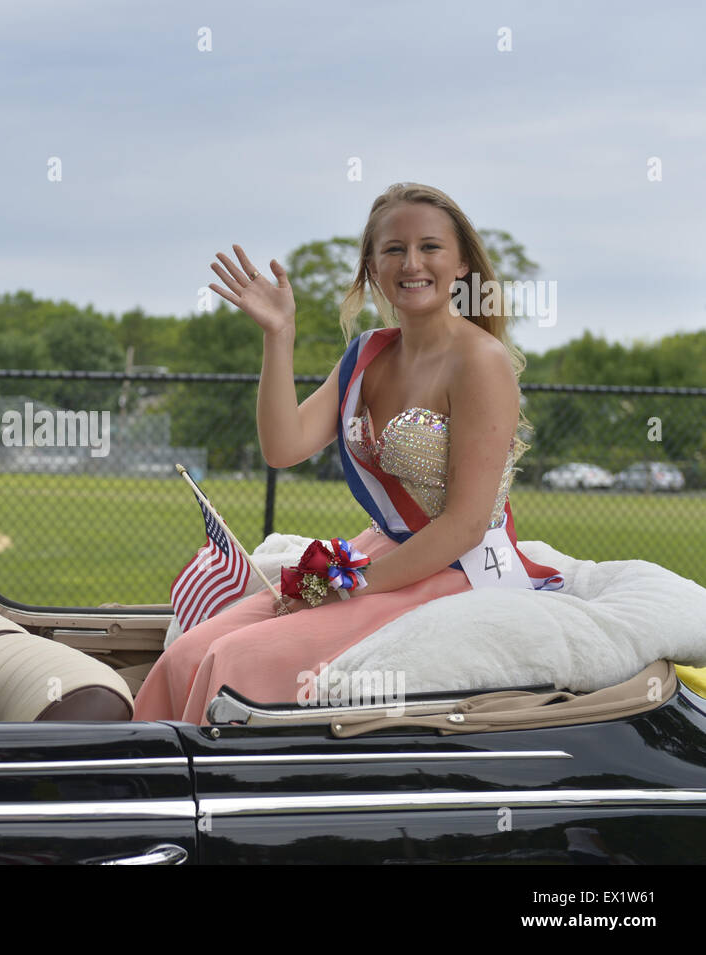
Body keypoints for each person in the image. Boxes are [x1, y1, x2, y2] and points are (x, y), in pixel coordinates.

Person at [134, 182, 564, 723]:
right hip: (378, 555)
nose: (412, 262)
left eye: (430, 247)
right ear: (372, 267)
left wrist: (347, 589)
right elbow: (283, 446)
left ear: (460, 266)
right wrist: (279, 335)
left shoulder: (480, 361)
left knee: (233, 661)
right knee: (188, 653)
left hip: (455, 568)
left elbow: (464, 527)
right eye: (393, 249)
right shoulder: (367, 354)